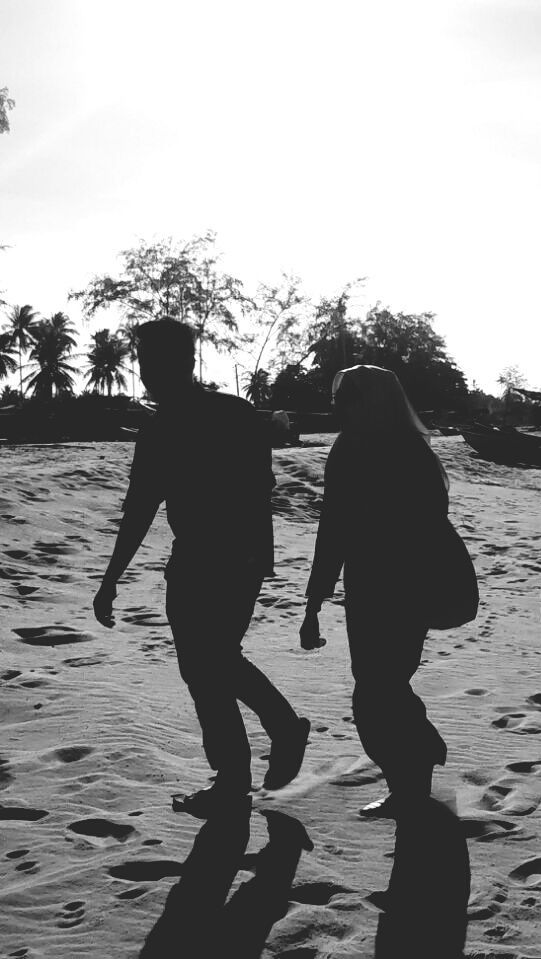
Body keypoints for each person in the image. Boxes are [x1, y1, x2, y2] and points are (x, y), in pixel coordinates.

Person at [93, 318, 308, 818]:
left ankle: (269, 741)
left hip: (223, 561)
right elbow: (144, 505)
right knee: (206, 667)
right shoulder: (228, 414)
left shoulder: (179, 424)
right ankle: (240, 770)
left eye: (154, 363)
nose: (147, 373)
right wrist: (111, 577)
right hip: (211, 560)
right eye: (143, 363)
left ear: (183, 364)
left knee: (209, 663)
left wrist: (111, 579)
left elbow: (144, 507)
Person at [300, 365, 450, 820]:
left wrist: (315, 603)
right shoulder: (358, 449)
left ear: (372, 401)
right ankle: (414, 772)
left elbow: (427, 532)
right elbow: (333, 533)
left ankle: (414, 773)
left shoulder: (403, 454)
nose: (336, 406)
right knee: (383, 687)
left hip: (401, 593)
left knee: (375, 692)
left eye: (346, 398)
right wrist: (314, 603)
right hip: (368, 592)